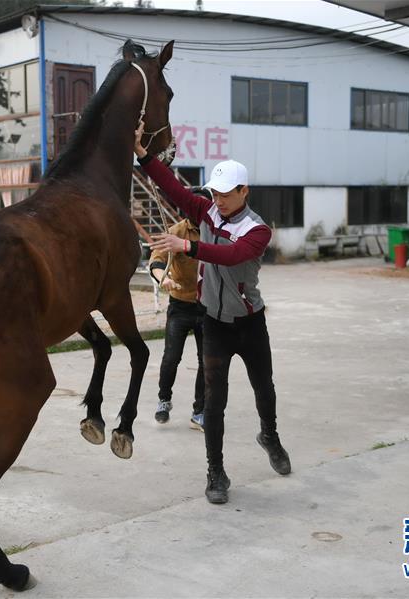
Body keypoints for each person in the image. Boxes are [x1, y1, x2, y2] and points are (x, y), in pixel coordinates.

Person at [136, 124, 291, 505]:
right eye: (214, 194)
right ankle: (215, 472)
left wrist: (188, 247)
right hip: (215, 324)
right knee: (213, 401)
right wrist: (141, 153)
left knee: (264, 388)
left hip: (251, 324)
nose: (217, 201)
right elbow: (172, 187)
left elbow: (232, 255)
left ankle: (269, 434)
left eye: (226, 195)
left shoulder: (257, 231)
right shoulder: (205, 212)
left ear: (244, 191)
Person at [148, 212, 205, 431]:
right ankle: (164, 400)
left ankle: (199, 411)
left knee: (206, 361)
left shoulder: (215, 230)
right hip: (180, 305)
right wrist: (164, 278)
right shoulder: (175, 232)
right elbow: (156, 260)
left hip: (207, 306)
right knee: (171, 357)